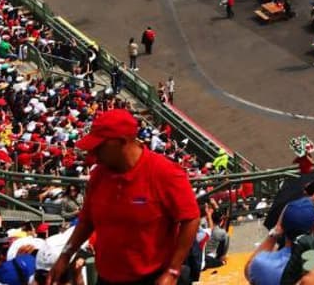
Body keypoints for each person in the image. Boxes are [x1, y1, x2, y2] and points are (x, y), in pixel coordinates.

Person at [49, 109, 201, 285]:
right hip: (107, 278)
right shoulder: (98, 175)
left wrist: (173, 271)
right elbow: (86, 221)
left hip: (152, 278)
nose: (93, 153)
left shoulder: (164, 172)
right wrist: (65, 255)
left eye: (99, 146)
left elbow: (191, 218)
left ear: (121, 142)